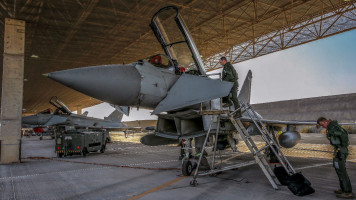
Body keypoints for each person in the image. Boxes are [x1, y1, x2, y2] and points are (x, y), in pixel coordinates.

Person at [317, 117, 354, 199]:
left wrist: (342, 147)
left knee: (342, 172)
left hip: (340, 152)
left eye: (322, 124)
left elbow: (344, 136)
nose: (322, 127)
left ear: (326, 122)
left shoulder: (334, 127)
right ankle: (343, 189)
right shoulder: (332, 127)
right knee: (339, 170)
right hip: (338, 151)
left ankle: (348, 192)